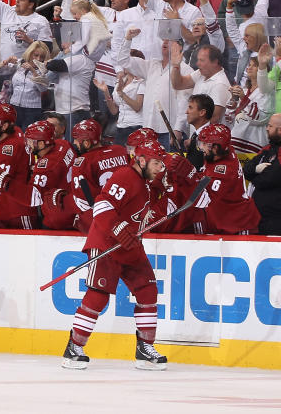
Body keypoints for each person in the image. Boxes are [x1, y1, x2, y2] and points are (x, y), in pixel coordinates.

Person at [62, 140, 170, 371]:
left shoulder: (148, 182)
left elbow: (148, 212)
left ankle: (145, 348)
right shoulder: (125, 176)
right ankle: (74, 347)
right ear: (141, 160)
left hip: (130, 246)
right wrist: (120, 229)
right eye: (156, 163)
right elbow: (101, 206)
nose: (160, 168)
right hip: (107, 244)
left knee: (148, 290)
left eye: (161, 163)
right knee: (98, 295)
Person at [195, 124, 260, 235]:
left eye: (205, 144)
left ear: (215, 148)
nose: (201, 147)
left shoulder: (224, 171)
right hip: (226, 219)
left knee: (240, 252)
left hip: (239, 223)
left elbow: (203, 197)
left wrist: (189, 175)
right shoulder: (222, 152)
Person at [0, 103, 39, 229]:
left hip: (16, 214)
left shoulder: (10, 148)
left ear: (5, 125)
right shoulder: (15, 133)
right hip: (5, 210)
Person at [26, 120, 77, 230]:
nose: (28, 144)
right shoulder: (64, 144)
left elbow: (32, 197)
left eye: (31, 141)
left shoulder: (46, 168)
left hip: (59, 212)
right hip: (73, 200)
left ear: (41, 144)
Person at [244, 114, 281, 235]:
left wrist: (255, 177)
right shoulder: (267, 149)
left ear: (280, 129)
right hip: (259, 219)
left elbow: (270, 178)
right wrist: (256, 170)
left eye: (270, 126)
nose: (267, 128)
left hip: (279, 221)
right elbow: (246, 169)